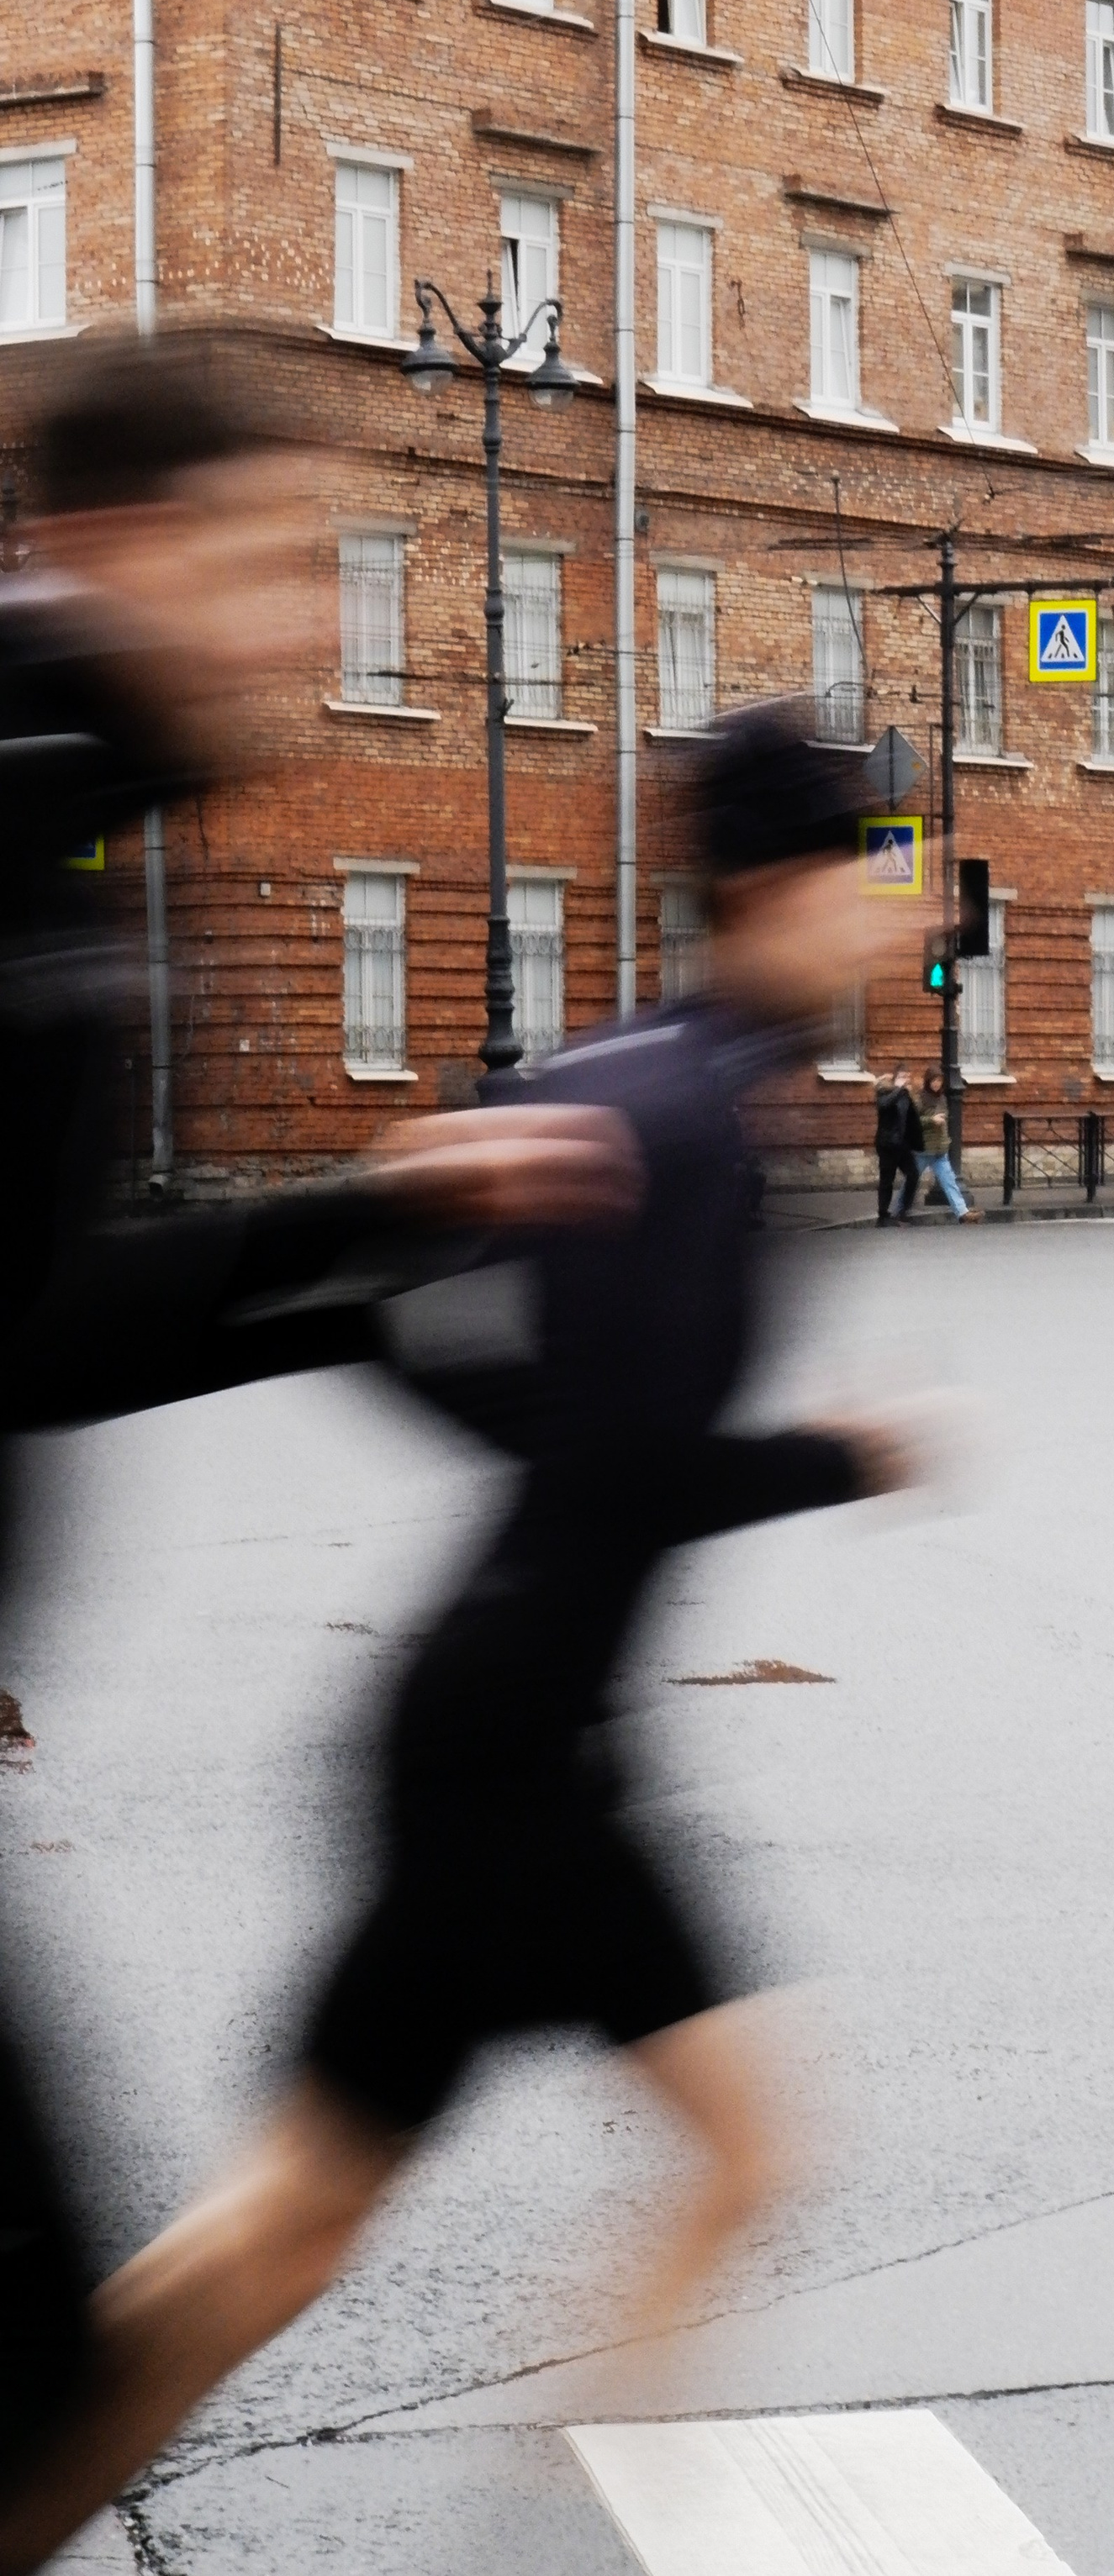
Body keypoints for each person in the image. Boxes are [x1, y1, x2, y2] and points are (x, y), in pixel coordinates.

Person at [0, 700, 928, 2571]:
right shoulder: (683, 1114)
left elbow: (417, 1331)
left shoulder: (658, 1076)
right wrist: (843, 1448)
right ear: (765, 883)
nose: (904, 923)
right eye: (874, 880)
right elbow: (619, 1463)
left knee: (307, 2217)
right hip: (510, 1752)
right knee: (431, 2200)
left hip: (511, 1720)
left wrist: (545, 1453)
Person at [0, 338, 641, 2568]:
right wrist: (390, 1211)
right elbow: (40, 1314)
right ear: (98, 546)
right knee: (46, 2366)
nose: (308, 622)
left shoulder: (68, 794)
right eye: (262, 563)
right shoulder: (27, 792)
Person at [912, 1067, 979, 1222]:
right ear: (928, 1081)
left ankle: (963, 1213)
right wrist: (931, 1120)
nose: (937, 1084)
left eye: (939, 1081)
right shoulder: (920, 1099)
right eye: (934, 1081)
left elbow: (945, 1117)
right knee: (912, 1181)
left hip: (939, 1149)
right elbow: (913, 1122)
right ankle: (898, 1211)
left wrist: (943, 1120)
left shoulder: (941, 1098)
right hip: (924, 1148)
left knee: (950, 1182)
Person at [873, 1062, 921, 1224]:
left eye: (907, 1077)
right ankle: (883, 1214)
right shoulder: (885, 1091)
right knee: (887, 1179)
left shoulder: (907, 1095)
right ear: (895, 1078)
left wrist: (916, 1141)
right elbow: (883, 1105)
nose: (905, 1080)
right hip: (887, 1143)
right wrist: (899, 1090)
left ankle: (903, 1210)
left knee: (913, 1174)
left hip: (902, 1145)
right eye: (902, 1076)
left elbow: (912, 1119)